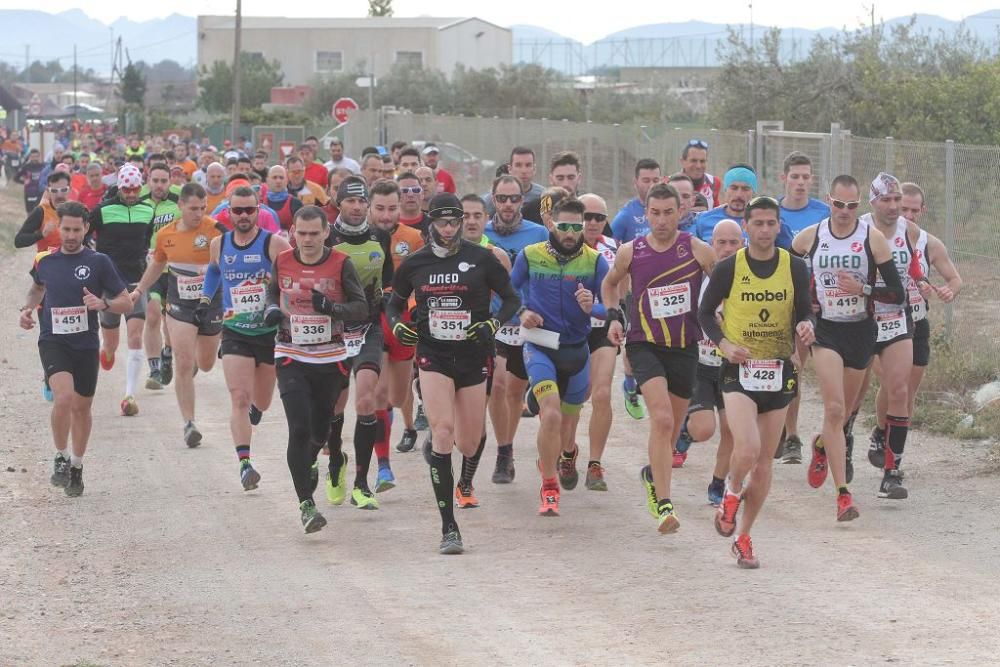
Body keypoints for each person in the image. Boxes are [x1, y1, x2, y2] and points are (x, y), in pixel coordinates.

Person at [387, 193, 520, 553]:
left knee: (469, 442)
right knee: (443, 431)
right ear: (431, 223)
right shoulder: (416, 263)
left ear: (462, 222)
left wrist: (492, 324)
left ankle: (455, 466)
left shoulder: (482, 259)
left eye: (454, 221)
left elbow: (512, 299)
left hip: (474, 355)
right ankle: (449, 527)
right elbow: (394, 303)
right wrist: (399, 326)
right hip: (433, 355)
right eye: (442, 222)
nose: (448, 228)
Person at [698, 196, 816, 568]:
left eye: (771, 223)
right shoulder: (729, 268)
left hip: (779, 371)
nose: (765, 230)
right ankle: (731, 494)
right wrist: (725, 344)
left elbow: (805, 311)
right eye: (758, 223)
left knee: (764, 464)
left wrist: (805, 331)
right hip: (740, 371)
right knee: (746, 449)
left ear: (779, 226)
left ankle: (744, 536)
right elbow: (703, 313)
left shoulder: (794, 267)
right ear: (746, 226)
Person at [601, 183, 716, 534]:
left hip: (684, 347)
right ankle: (665, 505)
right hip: (644, 344)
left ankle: (653, 474)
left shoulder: (698, 250)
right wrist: (614, 316)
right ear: (645, 213)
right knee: (663, 420)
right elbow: (609, 285)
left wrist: (721, 318)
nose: (662, 220)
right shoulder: (630, 251)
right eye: (656, 213)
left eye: (669, 212)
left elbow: (723, 287)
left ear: (680, 212)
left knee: (671, 430)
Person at [790, 174, 905, 521]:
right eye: (838, 204)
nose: (844, 211)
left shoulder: (873, 240)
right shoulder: (810, 237)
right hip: (825, 332)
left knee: (845, 413)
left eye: (851, 206)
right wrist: (804, 314)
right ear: (829, 200)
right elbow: (788, 277)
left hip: (861, 331)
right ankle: (843, 496)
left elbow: (896, 295)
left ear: (860, 206)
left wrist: (863, 290)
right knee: (835, 409)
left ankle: (824, 444)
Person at [263, 206, 369, 532]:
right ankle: (306, 504)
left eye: (314, 233)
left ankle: (312, 462)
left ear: (326, 233)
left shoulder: (340, 263)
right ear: (292, 232)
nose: (307, 240)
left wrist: (332, 308)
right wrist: (270, 309)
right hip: (290, 353)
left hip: (330, 356)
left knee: (320, 430)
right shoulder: (283, 261)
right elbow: (273, 291)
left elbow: (361, 307)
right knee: (298, 427)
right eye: (301, 233)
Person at [19, 201, 133, 497]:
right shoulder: (45, 260)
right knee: (64, 397)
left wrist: (103, 304)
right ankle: (59, 457)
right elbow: (37, 288)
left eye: (75, 230)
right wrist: (27, 309)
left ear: (86, 229)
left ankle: (77, 466)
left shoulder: (99, 262)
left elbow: (126, 301)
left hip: (85, 343)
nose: (69, 235)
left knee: (82, 408)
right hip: (53, 340)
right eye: (65, 229)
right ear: (59, 228)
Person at [515, 198, 610, 515]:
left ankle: (568, 453)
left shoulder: (596, 261)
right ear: (552, 224)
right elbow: (506, 294)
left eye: (576, 226)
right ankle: (549, 485)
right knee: (551, 415)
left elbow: (611, 308)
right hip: (539, 346)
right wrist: (522, 312)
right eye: (564, 226)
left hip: (576, 350)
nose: (570, 233)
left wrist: (591, 308)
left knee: (567, 427)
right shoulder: (530, 256)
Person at [198, 186, 291, 488]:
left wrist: (283, 304)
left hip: (268, 333)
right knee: (239, 396)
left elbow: (292, 277)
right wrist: (204, 299)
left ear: (258, 210)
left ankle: (256, 409)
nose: (243, 216)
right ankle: (245, 464)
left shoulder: (273, 244)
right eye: (237, 211)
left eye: (249, 210)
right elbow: (213, 271)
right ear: (228, 212)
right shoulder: (219, 244)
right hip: (235, 332)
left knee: (261, 401)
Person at [867, 183, 961, 469]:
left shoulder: (927, 242)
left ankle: (893, 450)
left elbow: (955, 279)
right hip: (879, 322)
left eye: (912, 209)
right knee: (895, 386)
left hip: (916, 322)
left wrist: (947, 291)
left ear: (922, 211)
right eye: (901, 207)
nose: (906, 214)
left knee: (908, 391)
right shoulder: (871, 235)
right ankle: (882, 437)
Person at [131, 182, 226, 447]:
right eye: (193, 208)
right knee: (182, 363)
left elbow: (232, 258)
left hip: (211, 302)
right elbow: (157, 264)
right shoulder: (166, 234)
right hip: (179, 304)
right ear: (180, 206)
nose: (198, 213)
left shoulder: (215, 229)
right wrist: (139, 289)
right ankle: (189, 423)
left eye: (202, 208)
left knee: (205, 363)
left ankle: (197, 359)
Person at [850, 173, 925, 499]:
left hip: (897, 318)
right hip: (859, 320)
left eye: (898, 200)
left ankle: (891, 472)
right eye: (888, 200)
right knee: (851, 395)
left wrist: (926, 283)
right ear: (873, 201)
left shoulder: (910, 231)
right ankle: (844, 436)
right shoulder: (858, 227)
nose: (895, 207)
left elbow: (916, 265)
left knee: (899, 388)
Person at [323, 176, 394, 509]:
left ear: (367, 204)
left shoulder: (380, 237)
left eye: (360, 201)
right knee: (335, 406)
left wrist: (393, 313)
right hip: (333, 330)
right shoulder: (326, 237)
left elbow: (390, 284)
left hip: (368, 329)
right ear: (339, 204)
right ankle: (336, 460)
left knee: (366, 401)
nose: (356, 207)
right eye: (349, 201)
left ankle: (362, 483)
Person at [484, 174, 549, 484]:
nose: (507, 204)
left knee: (513, 391)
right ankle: (503, 450)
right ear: (493, 200)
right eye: (501, 198)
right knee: (496, 386)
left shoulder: (537, 233)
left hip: (525, 323)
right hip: (494, 322)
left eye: (513, 198)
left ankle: (506, 447)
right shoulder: (481, 233)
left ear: (522, 200)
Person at [676, 218, 743, 501]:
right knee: (705, 429)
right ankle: (686, 432)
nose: (727, 249)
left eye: (733, 243)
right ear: (711, 246)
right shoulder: (697, 277)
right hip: (700, 365)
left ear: (743, 245)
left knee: (732, 429)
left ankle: (718, 484)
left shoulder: (750, 279)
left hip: (732, 367)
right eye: (721, 243)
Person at [776, 152, 831, 463]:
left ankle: (834, 433)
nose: (799, 182)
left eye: (805, 176)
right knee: (793, 367)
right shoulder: (774, 213)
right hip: (791, 302)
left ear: (812, 179)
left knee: (826, 372)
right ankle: (792, 435)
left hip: (825, 302)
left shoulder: (824, 212)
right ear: (784, 178)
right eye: (794, 176)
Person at [370, 180, 425, 487]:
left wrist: (415, 308)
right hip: (374, 321)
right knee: (378, 393)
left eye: (392, 208)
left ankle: (390, 418)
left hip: (404, 322)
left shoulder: (414, 239)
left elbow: (421, 281)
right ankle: (383, 466)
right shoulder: (360, 239)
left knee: (398, 395)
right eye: (380, 209)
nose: (387, 215)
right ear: (369, 207)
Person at [90, 164, 156, 417]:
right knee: (111, 343)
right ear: (119, 187)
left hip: (135, 280)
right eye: (126, 189)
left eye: (135, 189)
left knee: (136, 336)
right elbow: (85, 233)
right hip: (109, 281)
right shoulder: (103, 210)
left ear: (140, 188)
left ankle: (129, 395)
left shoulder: (147, 210)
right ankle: (106, 353)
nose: (130, 194)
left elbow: (146, 239)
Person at [577, 193, 619, 490]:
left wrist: (612, 315)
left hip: (602, 330)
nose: (592, 222)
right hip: (569, 330)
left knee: (602, 394)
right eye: (586, 216)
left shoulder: (614, 250)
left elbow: (623, 293)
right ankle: (566, 452)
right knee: (574, 398)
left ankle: (595, 464)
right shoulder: (559, 248)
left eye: (599, 218)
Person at [141, 163, 182, 391]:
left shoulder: (179, 203)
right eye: (155, 181)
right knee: (154, 314)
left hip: (176, 270)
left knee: (171, 321)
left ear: (170, 181)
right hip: (152, 270)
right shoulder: (141, 204)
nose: (159, 185)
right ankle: (155, 369)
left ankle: (168, 352)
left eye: (163, 181)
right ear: (148, 181)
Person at [693, 165, 761, 244]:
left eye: (745, 189)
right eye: (734, 188)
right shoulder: (704, 219)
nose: (739, 194)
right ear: (725, 190)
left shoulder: (762, 223)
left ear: (753, 193)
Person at [15, 171, 72, 252]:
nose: (59, 195)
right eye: (54, 191)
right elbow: (18, 241)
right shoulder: (41, 211)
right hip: (47, 262)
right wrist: (41, 235)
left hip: (71, 263)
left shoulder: (77, 211)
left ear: (70, 189)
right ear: (48, 191)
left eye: (63, 190)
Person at [522, 151, 584, 225]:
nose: (565, 184)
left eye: (571, 178)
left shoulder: (590, 210)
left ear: (579, 178)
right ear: (551, 179)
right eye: (560, 178)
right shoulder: (532, 210)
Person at [483, 146, 545, 216]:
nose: (523, 171)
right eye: (518, 165)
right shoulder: (494, 197)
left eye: (528, 165)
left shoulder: (544, 196)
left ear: (534, 169)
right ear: (510, 169)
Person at [610, 158, 661, 244]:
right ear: (635, 182)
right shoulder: (626, 215)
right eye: (646, 181)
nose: (652, 185)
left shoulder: (670, 210)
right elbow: (608, 246)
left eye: (655, 180)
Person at [680, 139, 721, 209]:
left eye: (702, 161)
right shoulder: (669, 183)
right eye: (693, 161)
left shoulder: (714, 182)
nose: (698, 166)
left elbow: (715, 213)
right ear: (682, 162)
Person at [265, 165, 304, 233]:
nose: (278, 181)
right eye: (274, 177)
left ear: (286, 180)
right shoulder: (260, 203)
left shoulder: (296, 203)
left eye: (281, 177)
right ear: (267, 180)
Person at [15, 148, 46, 213]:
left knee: (41, 211)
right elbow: (15, 178)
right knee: (30, 212)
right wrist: (24, 182)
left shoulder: (44, 166)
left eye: (36, 156)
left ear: (39, 157)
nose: (35, 158)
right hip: (29, 193)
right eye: (33, 157)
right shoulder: (26, 166)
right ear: (30, 157)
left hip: (41, 193)